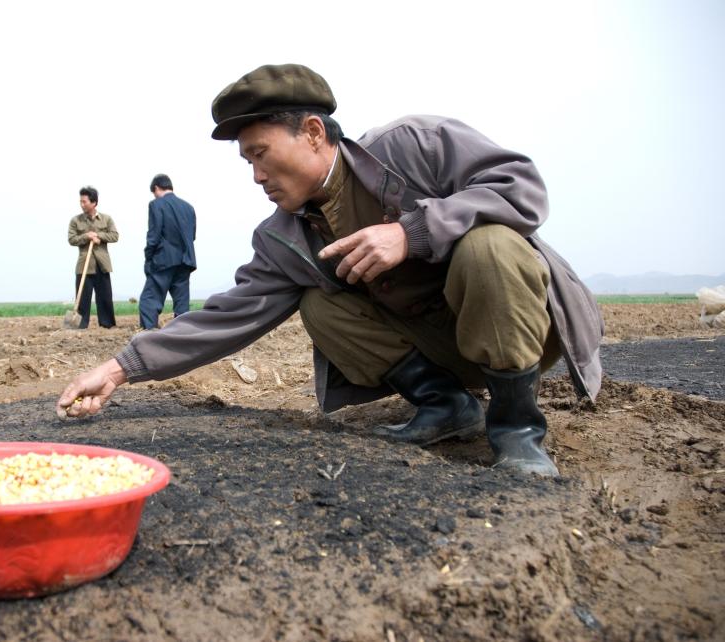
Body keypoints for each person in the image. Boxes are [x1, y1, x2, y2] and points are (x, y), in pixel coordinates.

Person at [57, 64, 604, 478]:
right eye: (248, 161)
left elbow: (521, 186)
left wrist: (411, 232)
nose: (256, 175)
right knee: (318, 305)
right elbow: (227, 316)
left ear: (314, 133)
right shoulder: (283, 236)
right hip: (442, 348)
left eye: (262, 154)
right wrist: (119, 367)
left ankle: (516, 430)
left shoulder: (412, 146)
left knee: (489, 245)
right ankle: (448, 406)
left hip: (517, 328)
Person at [138, 174, 197, 330]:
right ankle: (183, 333)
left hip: (163, 259)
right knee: (182, 302)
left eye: (154, 192)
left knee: (149, 299)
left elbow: (154, 236)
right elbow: (192, 235)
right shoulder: (188, 207)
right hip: (186, 260)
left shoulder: (156, 205)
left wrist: (148, 259)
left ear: (156, 188)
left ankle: (148, 333)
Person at [67, 186, 119, 328]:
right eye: (81, 201)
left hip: (102, 264)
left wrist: (99, 236)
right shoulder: (76, 221)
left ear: (94, 202)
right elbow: (71, 239)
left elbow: (115, 236)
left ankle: (107, 324)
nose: (82, 204)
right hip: (84, 265)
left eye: (84, 201)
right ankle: (80, 325)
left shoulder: (106, 219)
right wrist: (86, 236)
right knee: (83, 298)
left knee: (105, 297)